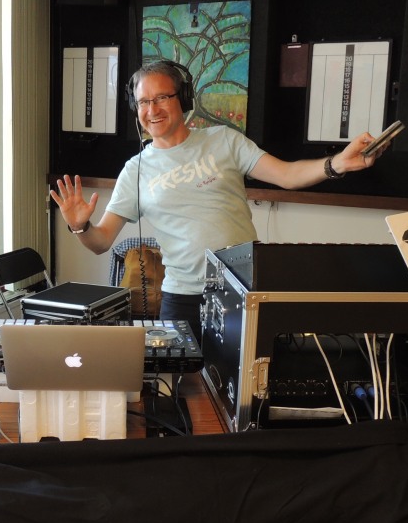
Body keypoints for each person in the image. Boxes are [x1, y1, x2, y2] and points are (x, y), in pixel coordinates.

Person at [50, 60, 386, 339]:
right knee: (184, 388)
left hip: (242, 290)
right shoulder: (135, 170)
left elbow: (286, 175)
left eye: (162, 97)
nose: (152, 110)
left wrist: (337, 163)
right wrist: (80, 227)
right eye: (143, 102)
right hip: (181, 298)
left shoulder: (224, 140)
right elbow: (101, 242)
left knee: (246, 388)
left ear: (183, 98)